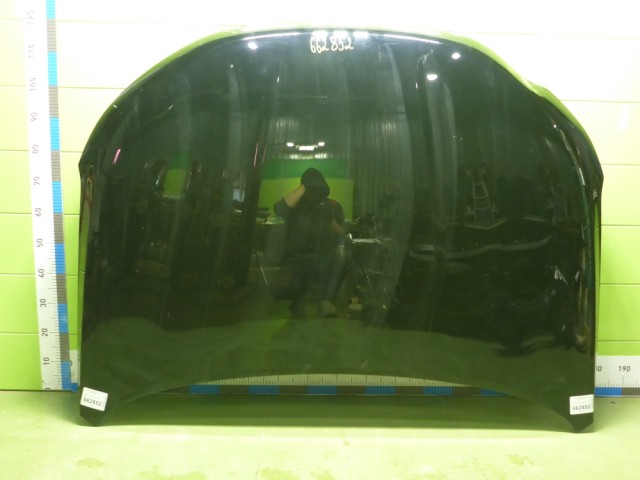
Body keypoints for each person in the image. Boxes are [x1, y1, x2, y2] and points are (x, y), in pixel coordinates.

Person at [272, 167, 345, 318]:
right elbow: (279, 209)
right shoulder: (297, 205)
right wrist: (304, 186)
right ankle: (300, 295)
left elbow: (341, 233)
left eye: (317, 189)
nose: (314, 193)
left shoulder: (332, 206)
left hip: (323, 256)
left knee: (341, 258)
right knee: (279, 290)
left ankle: (326, 300)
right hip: (297, 258)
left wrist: (329, 220)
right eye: (310, 189)